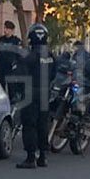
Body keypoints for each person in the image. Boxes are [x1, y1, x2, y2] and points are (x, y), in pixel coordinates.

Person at [16, 23, 55, 170]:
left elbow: (20, 76)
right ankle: (43, 157)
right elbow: (53, 74)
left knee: (29, 124)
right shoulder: (50, 55)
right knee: (43, 123)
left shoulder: (28, 56)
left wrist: (19, 93)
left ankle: (31, 157)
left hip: (30, 93)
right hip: (45, 92)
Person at [0, 20, 24, 91]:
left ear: (12, 30)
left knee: (12, 89)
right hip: (1, 68)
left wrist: (19, 67)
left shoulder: (16, 41)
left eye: (7, 28)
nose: (5, 30)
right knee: (0, 89)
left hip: (11, 69)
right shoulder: (0, 40)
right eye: (4, 28)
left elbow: (20, 55)